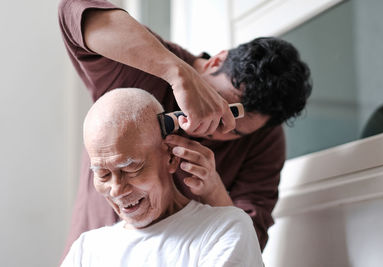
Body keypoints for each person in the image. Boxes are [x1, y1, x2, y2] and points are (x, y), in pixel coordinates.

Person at [58, 0, 312, 258]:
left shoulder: (264, 140)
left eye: (233, 131)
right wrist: (177, 73)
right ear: (216, 62)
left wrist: (215, 191)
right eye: (217, 103)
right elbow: (73, 11)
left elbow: (248, 246)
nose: (212, 127)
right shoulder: (147, 62)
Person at [61, 88, 264, 266]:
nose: (116, 189)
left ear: (170, 156)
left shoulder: (224, 231)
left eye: (131, 168)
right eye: (103, 174)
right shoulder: (86, 250)